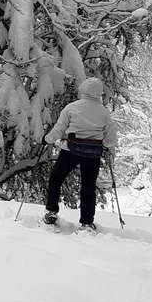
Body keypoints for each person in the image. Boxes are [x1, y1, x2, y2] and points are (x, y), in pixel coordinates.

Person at [43, 77, 118, 231]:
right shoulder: (104, 113)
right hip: (93, 155)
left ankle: (51, 211)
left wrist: (48, 140)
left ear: (83, 90)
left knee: (56, 178)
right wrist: (108, 146)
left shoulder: (72, 107)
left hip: (70, 151)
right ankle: (86, 222)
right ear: (99, 93)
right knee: (88, 187)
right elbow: (111, 137)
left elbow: (59, 128)